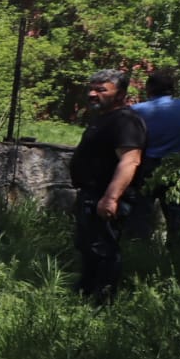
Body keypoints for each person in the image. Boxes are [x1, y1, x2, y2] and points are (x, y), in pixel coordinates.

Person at [68, 69, 146, 305]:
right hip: (91, 194)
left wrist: (111, 197)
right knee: (88, 246)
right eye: (91, 88)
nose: (92, 94)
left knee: (104, 249)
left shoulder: (126, 121)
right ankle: (86, 292)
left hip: (106, 196)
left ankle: (103, 301)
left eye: (101, 90)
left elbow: (130, 160)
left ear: (120, 94)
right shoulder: (104, 118)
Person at [130, 66, 180, 255]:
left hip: (151, 164)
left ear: (149, 89)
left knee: (141, 210)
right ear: (172, 89)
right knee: (178, 213)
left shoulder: (138, 110)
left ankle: (138, 250)